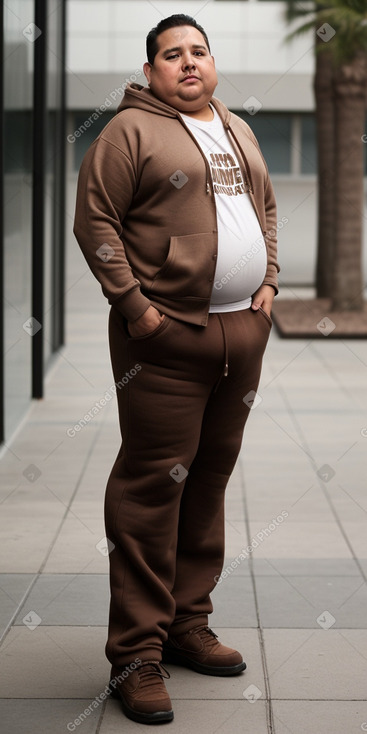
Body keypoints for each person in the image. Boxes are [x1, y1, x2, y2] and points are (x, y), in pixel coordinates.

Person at [74, 13, 279, 726]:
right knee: (150, 488)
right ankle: (135, 654)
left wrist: (269, 284)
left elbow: (265, 206)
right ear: (152, 69)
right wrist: (137, 309)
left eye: (197, 51)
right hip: (164, 340)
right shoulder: (128, 132)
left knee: (209, 479)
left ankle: (187, 624)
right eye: (172, 54)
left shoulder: (235, 125)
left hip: (240, 335)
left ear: (211, 63)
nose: (187, 62)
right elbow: (95, 224)